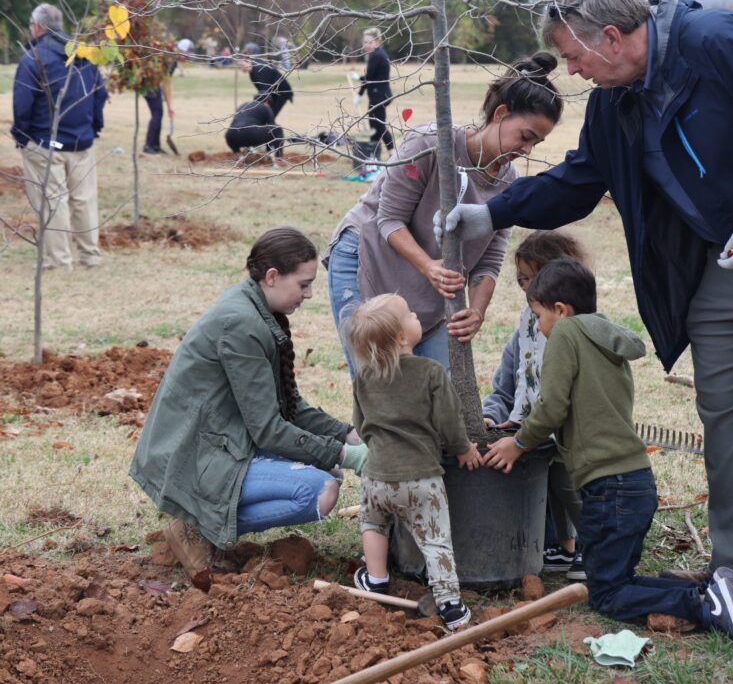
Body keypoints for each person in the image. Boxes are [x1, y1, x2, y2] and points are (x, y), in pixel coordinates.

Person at [440, 0, 733, 658]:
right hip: (722, 266)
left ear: (616, 36)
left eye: (575, 55)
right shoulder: (614, 100)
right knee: (729, 419)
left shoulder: (722, 45)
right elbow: (579, 179)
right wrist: (490, 210)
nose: (570, 69)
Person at [483, 259, 733, 646]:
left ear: (560, 310)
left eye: (538, 315)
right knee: (616, 581)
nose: (537, 326)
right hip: (635, 480)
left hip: (609, 489)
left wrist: (519, 443)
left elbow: (552, 406)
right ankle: (718, 591)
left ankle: (703, 605)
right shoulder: (604, 337)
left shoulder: (566, 335)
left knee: (605, 595)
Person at [130, 227, 367, 590]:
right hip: (192, 454)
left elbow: (289, 408)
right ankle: (196, 526)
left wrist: (349, 435)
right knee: (320, 490)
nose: (309, 294)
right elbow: (269, 430)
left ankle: (206, 521)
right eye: (303, 284)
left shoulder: (254, 306)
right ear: (272, 277)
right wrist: (348, 456)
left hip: (220, 439)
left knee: (327, 465)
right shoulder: (243, 323)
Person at [325, 52, 564, 378]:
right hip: (368, 258)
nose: (527, 150)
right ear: (501, 113)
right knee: (379, 383)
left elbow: (490, 260)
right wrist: (429, 267)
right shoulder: (431, 144)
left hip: (431, 287)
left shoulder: (511, 184)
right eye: (525, 137)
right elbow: (389, 219)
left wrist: (476, 311)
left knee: (435, 385)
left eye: (537, 142)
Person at [347, 293, 483, 631]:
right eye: (410, 313)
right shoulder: (430, 372)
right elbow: (450, 421)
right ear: (401, 337)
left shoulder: (363, 378)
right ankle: (450, 604)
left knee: (373, 525)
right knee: (435, 540)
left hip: (376, 478)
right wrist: (463, 448)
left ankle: (376, 579)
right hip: (421, 481)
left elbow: (361, 425)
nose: (416, 314)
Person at [482, 230, 588, 581]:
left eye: (533, 280)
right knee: (547, 483)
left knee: (568, 487)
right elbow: (506, 388)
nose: (527, 290)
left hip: (569, 434)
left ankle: (589, 546)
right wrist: (493, 415)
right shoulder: (526, 326)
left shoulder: (575, 331)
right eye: (522, 281)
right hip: (533, 429)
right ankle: (561, 545)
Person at [11, 3, 109, 270]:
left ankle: (59, 261)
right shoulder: (84, 55)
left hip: (45, 143)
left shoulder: (34, 59)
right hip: (82, 142)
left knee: (52, 200)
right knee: (85, 200)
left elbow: (22, 104)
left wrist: (21, 135)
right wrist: (94, 128)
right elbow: (99, 95)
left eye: (32, 26)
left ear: (38, 27)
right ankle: (90, 256)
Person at [359, 27, 394, 159]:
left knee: (378, 125)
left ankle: (392, 152)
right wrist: (360, 93)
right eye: (364, 42)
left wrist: (359, 84)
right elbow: (370, 78)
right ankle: (373, 154)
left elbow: (368, 79)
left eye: (369, 42)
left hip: (379, 96)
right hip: (380, 95)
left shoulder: (376, 56)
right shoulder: (378, 54)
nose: (366, 45)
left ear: (377, 42)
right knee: (374, 124)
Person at [224, 97, 288, 166]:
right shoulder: (265, 106)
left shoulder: (243, 105)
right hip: (251, 134)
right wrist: (268, 150)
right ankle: (279, 159)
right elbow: (271, 128)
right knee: (277, 129)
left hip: (230, 135)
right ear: (267, 102)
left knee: (244, 133)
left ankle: (237, 156)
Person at [241, 42, 293, 116]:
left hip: (281, 92)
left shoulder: (258, 70)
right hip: (272, 92)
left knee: (268, 116)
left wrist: (256, 105)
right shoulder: (253, 70)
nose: (241, 67)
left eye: (242, 64)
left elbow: (264, 92)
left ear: (249, 61)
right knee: (265, 116)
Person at [142, 55, 178, 155]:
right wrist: (169, 106)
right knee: (157, 114)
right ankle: (149, 146)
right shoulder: (171, 61)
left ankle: (155, 146)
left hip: (152, 83)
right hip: (149, 84)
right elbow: (166, 84)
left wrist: (169, 107)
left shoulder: (170, 58)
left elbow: (166, 84)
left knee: (158, 113)